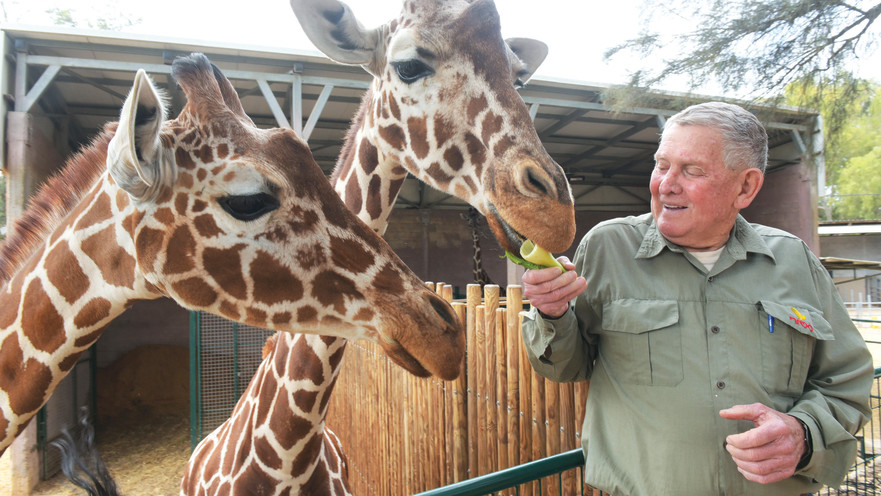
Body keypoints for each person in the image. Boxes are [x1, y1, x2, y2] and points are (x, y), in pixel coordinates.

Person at [520, 101, 873, 495]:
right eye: (662, 164)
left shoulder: (794, 260)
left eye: (692, 171)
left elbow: (846, 382)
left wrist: (804, 434)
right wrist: (552, 313)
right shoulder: (608, 247)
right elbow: (565, 368)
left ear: (746, 187)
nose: (666, 184)